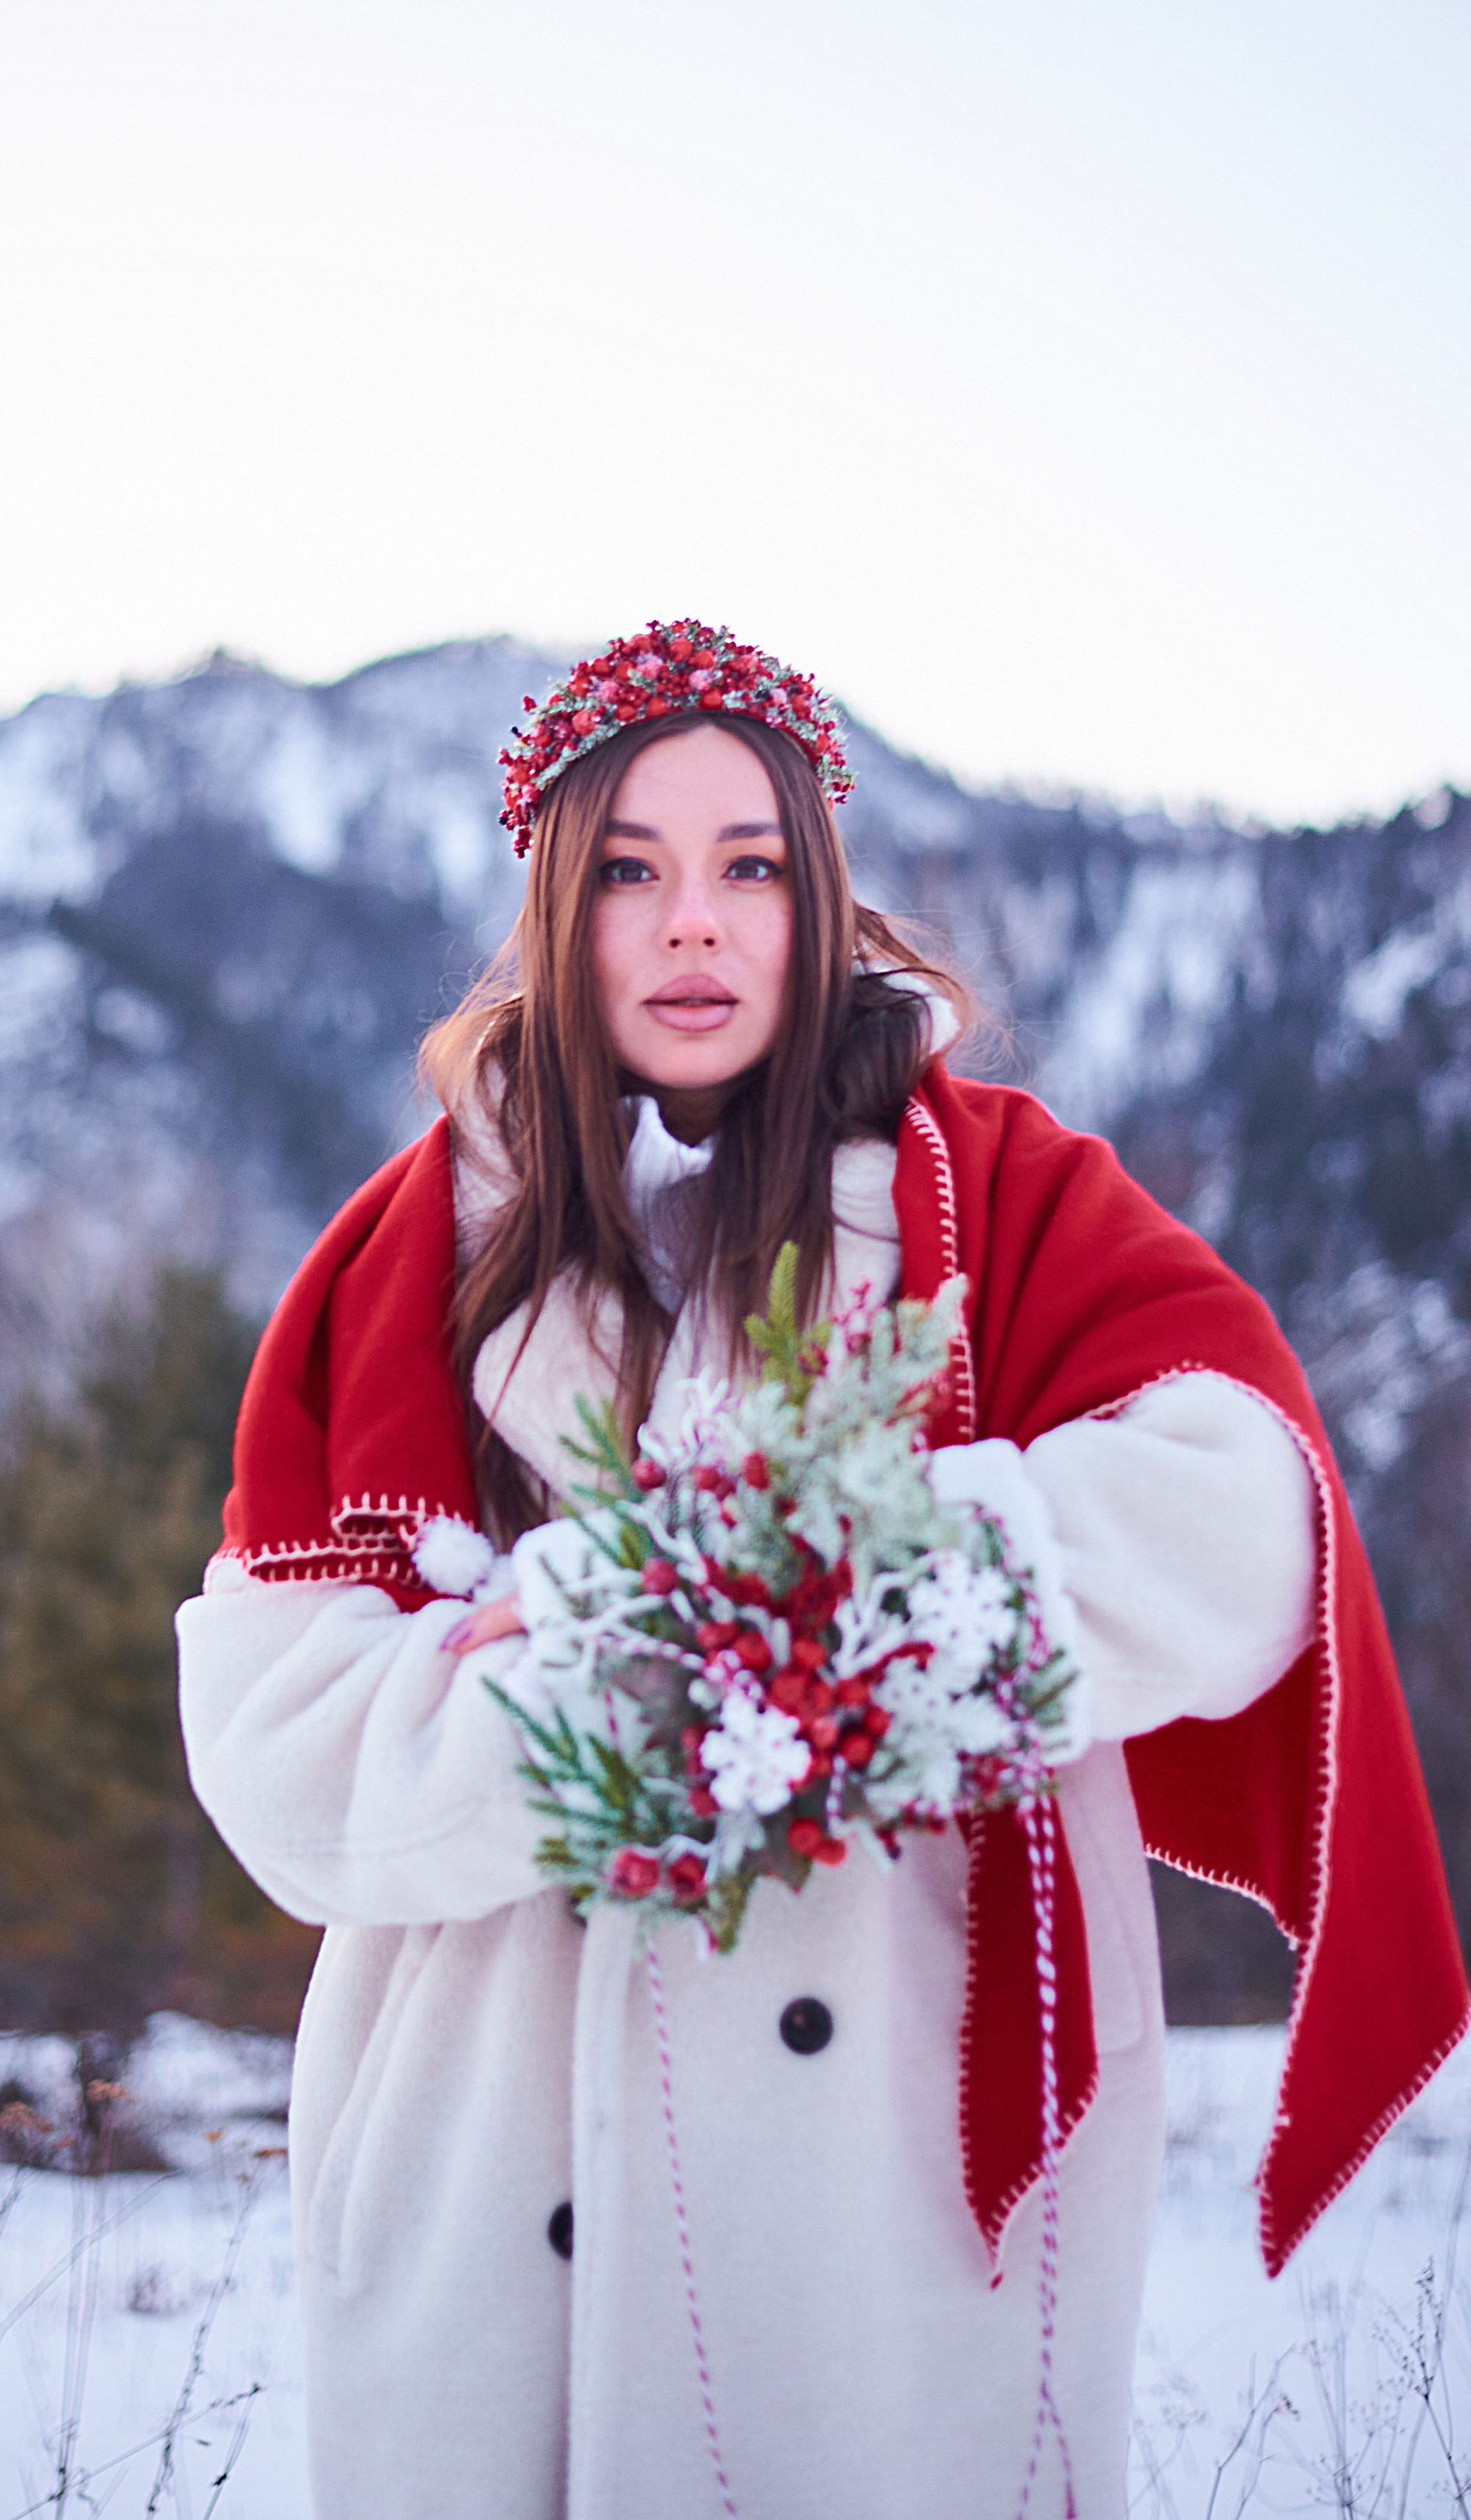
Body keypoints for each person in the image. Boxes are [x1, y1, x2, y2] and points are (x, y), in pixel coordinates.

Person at [177, 623, 1464, 2520]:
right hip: (485, 2172)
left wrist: (803, 1602)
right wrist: (616, 1686)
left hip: (892, 2164)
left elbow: (1242, 1513)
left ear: (817, 895)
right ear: (555, 906)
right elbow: (282, 1749)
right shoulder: (404, 1266)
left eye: (746, 865)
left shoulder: (1001, 1196)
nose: (690, 922)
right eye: (627, 867)